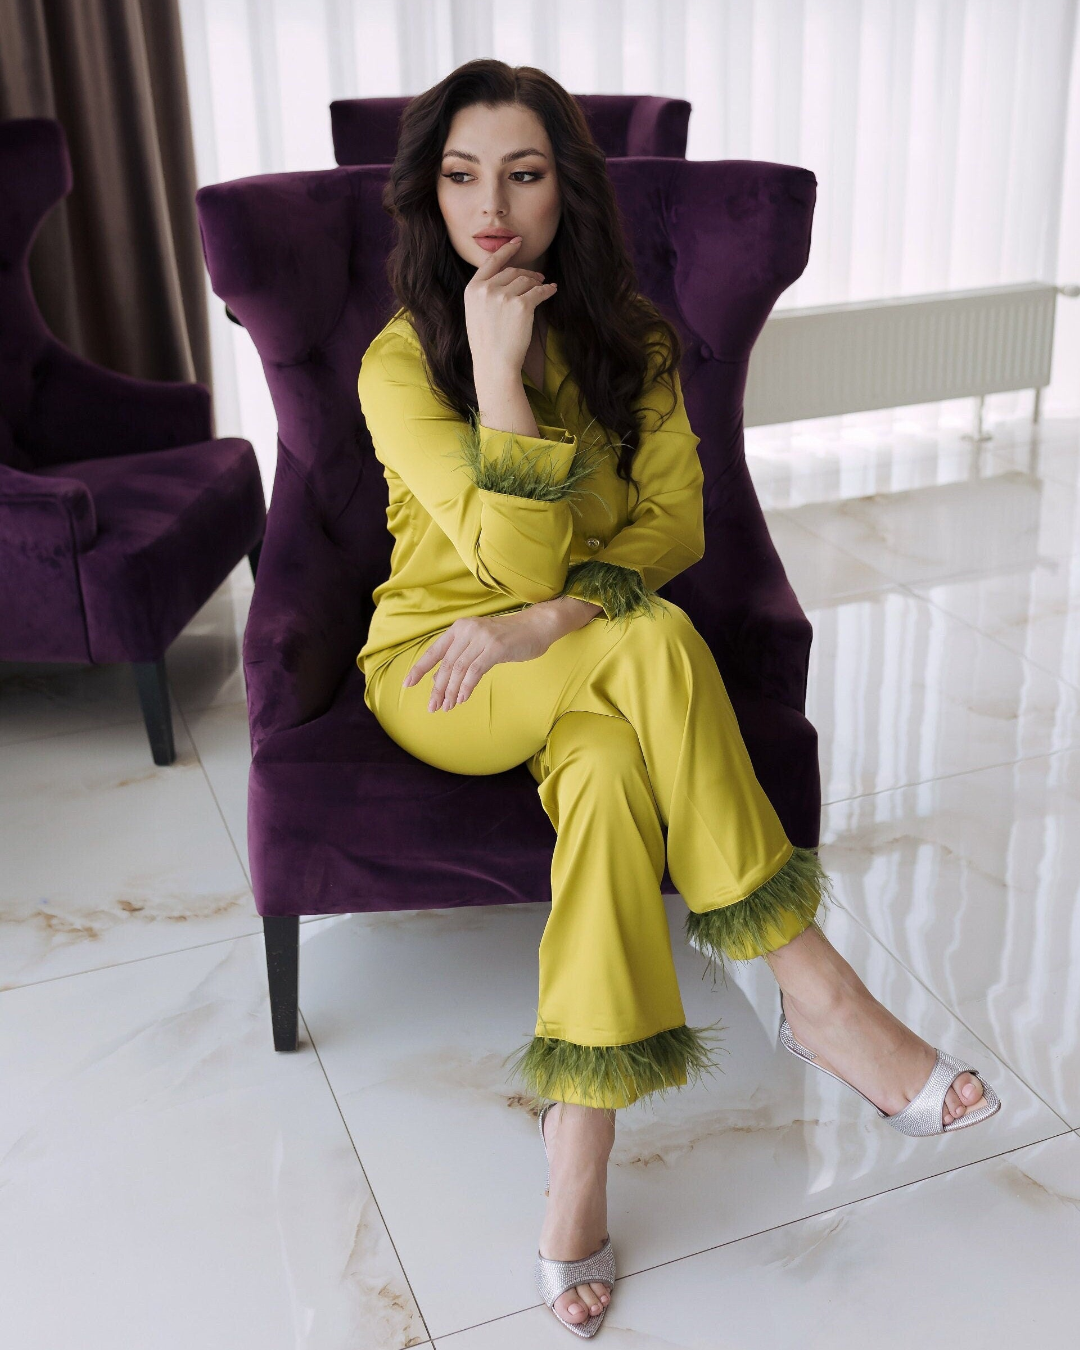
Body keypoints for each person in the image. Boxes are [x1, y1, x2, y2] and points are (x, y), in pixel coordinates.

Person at [355, 59, 1001, 1338]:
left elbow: (676, 524)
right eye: (462, 175)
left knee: (606, 775)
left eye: (524, 174)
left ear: (566, 190)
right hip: (442, 669)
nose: (492, 205)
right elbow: (514, 561)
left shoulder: (635, 342)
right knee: (647, 644)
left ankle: (576, 1176)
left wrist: (553, 619)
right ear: (428, 195)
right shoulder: (398, 362)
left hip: (563, 653)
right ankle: (819, 997)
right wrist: (495, 375)